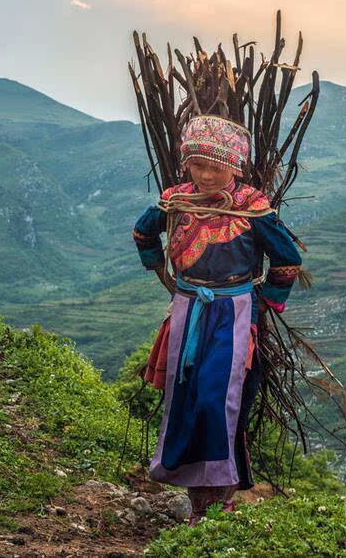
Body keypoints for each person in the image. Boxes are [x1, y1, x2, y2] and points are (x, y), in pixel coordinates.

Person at [132, 114, 302, 525]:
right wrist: (165, 277)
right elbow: (143, 232)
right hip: (188, 309)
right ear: (186, 163)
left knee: (219, 402)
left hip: (233, 314)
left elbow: (288, 260)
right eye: (198, 165)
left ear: (235, 166)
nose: (207, 175)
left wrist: (262, 304)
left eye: (216, 166)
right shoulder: (175, 200)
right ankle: (195, 503)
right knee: (186, 400)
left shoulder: (253, 208)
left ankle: (223, 498)